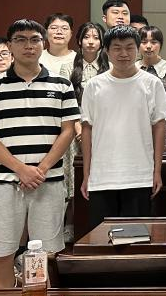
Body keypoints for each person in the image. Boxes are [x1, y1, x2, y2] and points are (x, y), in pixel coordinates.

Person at [0, 19, 79, 287]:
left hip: (48, 182)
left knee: (48, 256)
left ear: (43, 44)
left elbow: (67, 132)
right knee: (1, 254)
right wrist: (21, 169)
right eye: (20, 39)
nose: (28, 45)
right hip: (3, 183)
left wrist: (40, 170)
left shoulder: (62, 85)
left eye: (34, 39)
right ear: (10, 45)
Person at [80, 25, 166, 229]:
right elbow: (87, 129)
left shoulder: (152, 84)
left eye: (129, 47)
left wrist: (157, 171)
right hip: (102, 176)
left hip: (139, 176)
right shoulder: (94, 85)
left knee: (136, 238)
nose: (124, 53)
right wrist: (86, 174)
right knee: (101, 238)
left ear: (137, 49)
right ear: (106, 51)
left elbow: (159, 127)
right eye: (117, 48)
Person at [60, 21, 108, 241]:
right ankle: (71, 224)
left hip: (103, 131)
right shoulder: (68, 66)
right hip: (74, 130)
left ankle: (99, 224)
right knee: (72, 178)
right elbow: (67, 102)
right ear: (79, 40)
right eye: (87, 37)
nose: (91, 41)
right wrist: (79, 127)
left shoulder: (108, 66)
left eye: (96, 37)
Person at [136, 26, 166, 150]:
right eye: (144, 42)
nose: (148, 46)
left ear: (160, 44)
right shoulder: (133, 69)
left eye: (154, 42)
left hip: (164, 128)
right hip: (137, 127)